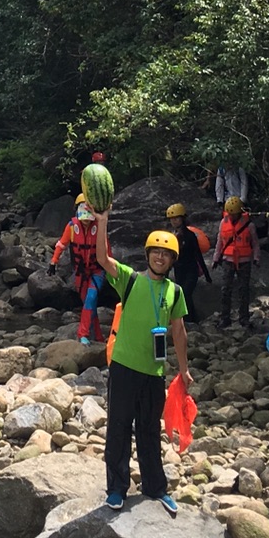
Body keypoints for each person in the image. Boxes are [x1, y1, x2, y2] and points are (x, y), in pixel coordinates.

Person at [90, 212, 191, 514]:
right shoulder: (130, 279)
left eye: (166, 254)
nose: (160, 257)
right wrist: (103, 220)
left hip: (154, 371)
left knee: (149, 430)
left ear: (172, 260)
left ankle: (155, 488)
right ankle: (116, 489)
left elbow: (179, 331)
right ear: (148, 254)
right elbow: (102, 258)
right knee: (119, 428)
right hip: (123, 366)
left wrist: (184, 369)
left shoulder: (174, 291)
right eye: (156, 252)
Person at [215, 194, 261, 329]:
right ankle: (225, 318)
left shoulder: (249, 225)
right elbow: (220, 242)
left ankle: (244, 318)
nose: (231, 216)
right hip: (228, 260)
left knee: (243, 290)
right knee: (225, 290)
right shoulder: (223, 223)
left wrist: (256, 258)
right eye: (230, 214)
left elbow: (255, 243)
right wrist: (216, 258)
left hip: (244, 261)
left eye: (234, 214)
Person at [49, 196, 101, 305]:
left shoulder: (98, 226)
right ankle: (89, 320)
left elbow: (106, 247)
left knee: (91, 298)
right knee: (85, 300)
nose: (86, 219)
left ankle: (86, 321)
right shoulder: (72, 227)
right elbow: (61, 244)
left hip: (97, 270)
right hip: (80, 271)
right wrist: (53, 261)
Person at [165, 202, 212, 302]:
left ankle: (190, 318)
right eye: (171, 219)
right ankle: (189, 317)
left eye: (176, 218)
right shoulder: (172, 236)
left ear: (182, 218)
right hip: (179, 271)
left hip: (190, 270)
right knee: (184, 298)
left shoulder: (190, 235)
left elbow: (197, 254)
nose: (174, 221)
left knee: (185, 295)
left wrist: (206, 274)